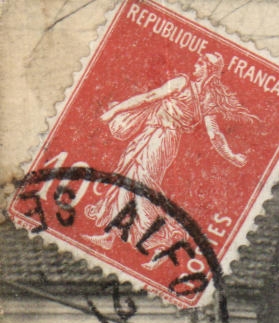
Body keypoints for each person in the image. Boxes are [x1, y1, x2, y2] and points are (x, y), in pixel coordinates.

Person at [84, 52, 255, 255]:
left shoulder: (184, 84)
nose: (196, 65)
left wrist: (114, 111)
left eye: (201, 63)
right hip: (157, 137)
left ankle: (161, 234)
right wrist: (232, 156)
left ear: (209, 70)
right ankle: (112, 234)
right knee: (129, 182)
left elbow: (149, 98)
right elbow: (214, 134)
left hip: (160, 139)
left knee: (139, 184)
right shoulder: (205, 97)